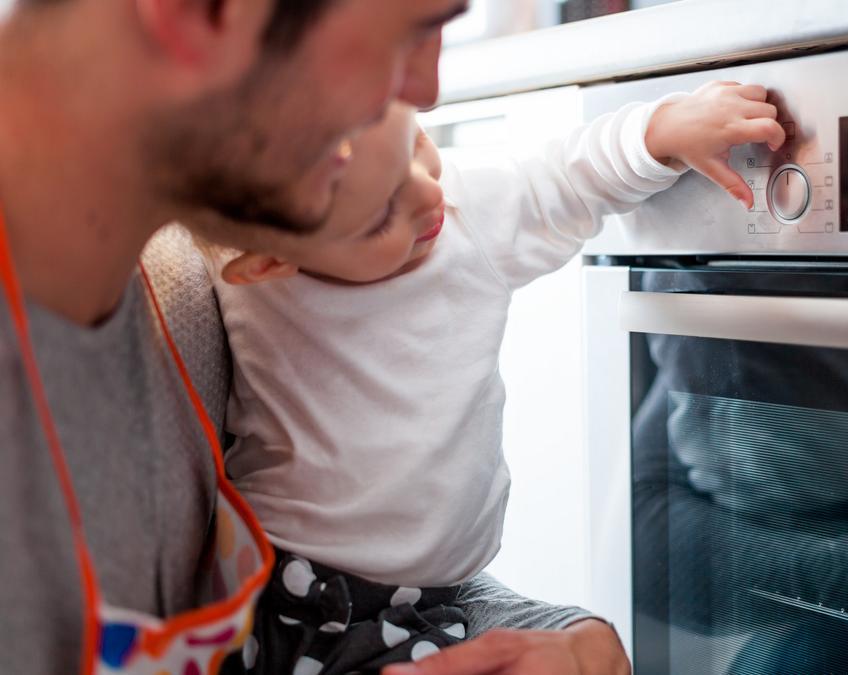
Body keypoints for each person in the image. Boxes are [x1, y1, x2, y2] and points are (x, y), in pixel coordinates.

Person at [0, 0, 652, 672]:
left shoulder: (196, 277)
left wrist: (551, 637)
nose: (425, 90)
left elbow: (357, 595)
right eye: (414, 28)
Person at [194, 79, 785, 674]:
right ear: (270, 263)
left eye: (417, 146)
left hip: (452, 593)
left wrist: (659, 134)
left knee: (595, 652)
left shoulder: (460, 215)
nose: (428, 197)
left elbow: (563, 179)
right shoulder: (249, 251)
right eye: (379, 217)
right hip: (301, 591)